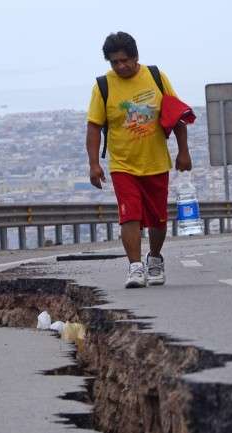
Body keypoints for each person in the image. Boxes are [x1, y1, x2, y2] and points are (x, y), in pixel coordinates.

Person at [86, 31, 191, 288]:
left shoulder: (155, 77)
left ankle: (154, 258)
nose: (121, 66)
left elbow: (176, 114)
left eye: (125, 60)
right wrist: (94, 164)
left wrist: (184, 151)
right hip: (123, 164)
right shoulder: (103, 86)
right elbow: (94, 126)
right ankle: (134, 266)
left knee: (158, 218)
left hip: (155, 162)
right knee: (129, 214)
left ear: (136, 57)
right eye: (115, 62)